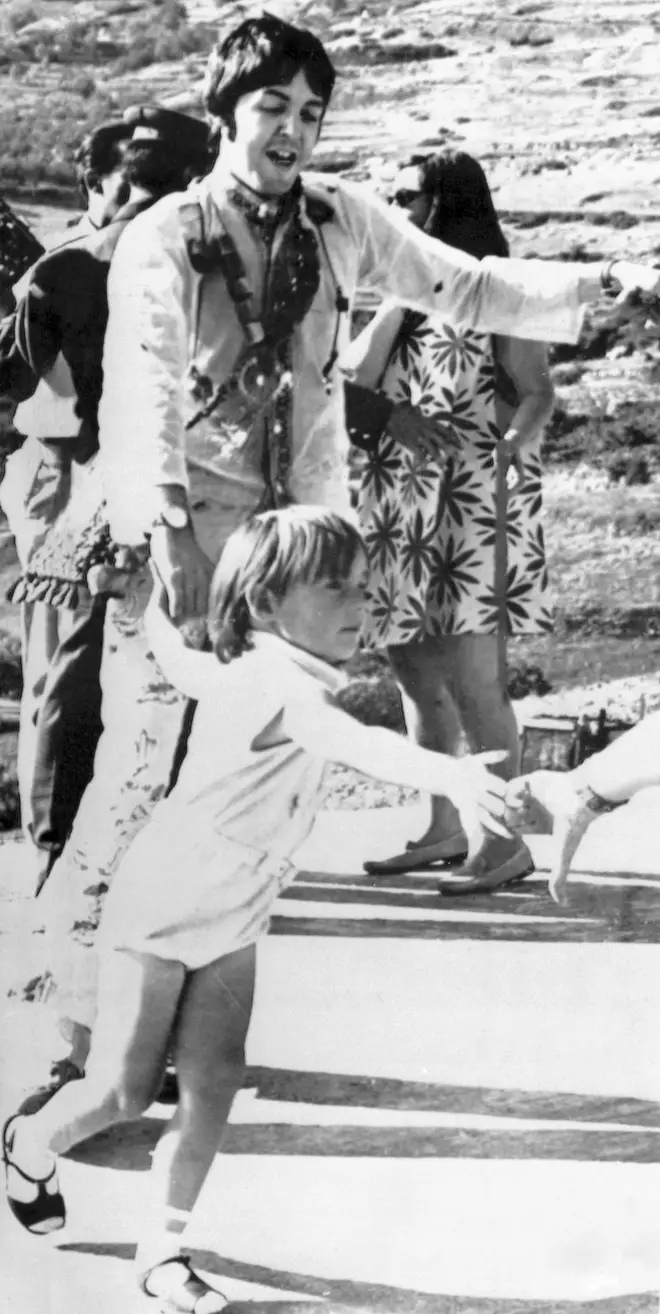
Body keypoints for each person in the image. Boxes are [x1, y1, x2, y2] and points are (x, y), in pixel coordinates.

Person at [30, 12, 660, 1102]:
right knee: (142, 771)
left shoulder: (335, 218)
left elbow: (458, 283)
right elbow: (140, 387)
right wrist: (171, 535)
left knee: (258, 791)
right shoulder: (169, 234)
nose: (292, 131)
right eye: (273, 107)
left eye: (310, 113)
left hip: (299, 554)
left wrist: (590, 287)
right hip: (190, 544)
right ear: (229, 109)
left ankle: (174, 1040)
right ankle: (75, 1029)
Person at [2, 506, 512, 1312]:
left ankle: (162, 1252)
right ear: (269, 605)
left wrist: (147, 616)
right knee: (123, 1092)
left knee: (215, 1081)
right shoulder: (280, 681)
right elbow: (342, 740)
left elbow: (192, 671)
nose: (361, 604)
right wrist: (446, 774)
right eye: (336, 588)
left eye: (365, 587)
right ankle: (28, 1142)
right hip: (163, 905)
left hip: (236, 908)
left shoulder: (263, 668)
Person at [0, 107, 211, 903]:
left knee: (71, 674)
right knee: (177, 669)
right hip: (177, 491)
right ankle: (138, 850)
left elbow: (8, 383)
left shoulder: (62, 270)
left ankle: (57, 853)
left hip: (83, 482)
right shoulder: (209, 270)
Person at [347, 150, 556, 892]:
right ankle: (441, 826)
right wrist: (402, 298)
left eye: (409, 198)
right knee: (415, 676)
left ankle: (503, 843)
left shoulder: (499, 288)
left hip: (473, 507)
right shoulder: (404, 290)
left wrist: (509, 450)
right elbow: (353, 377)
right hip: (401, 506)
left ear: (445, 205)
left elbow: (538, 391)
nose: (397, 211)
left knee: (476, 682)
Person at [504, 711, 660, 904]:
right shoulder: (559, 791)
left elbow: (567, 830)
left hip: (601, 779)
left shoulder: (563, 799)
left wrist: (558, 876)